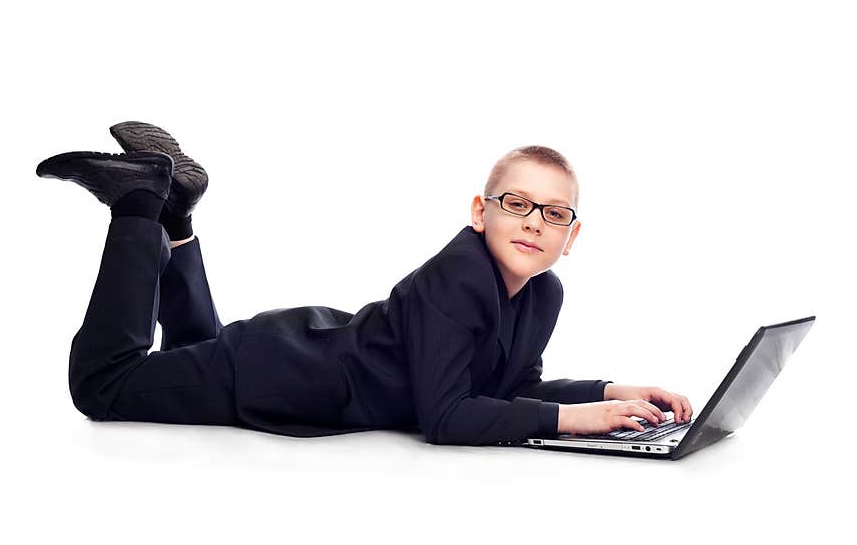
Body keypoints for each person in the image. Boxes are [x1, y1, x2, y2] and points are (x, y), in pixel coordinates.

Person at [36, 124, 693, 446]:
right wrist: (575, 419)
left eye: (554, 213)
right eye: (517, 203)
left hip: (299, 350)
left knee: (190, 351)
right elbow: (446, 415)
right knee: (105, 386)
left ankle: (175, 207)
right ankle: (136, 202)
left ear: (570, 235)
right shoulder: (459, 278)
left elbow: (508, 388)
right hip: (282, 375)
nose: (533, 223)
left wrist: (608, 393)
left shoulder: (540, 294)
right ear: (479, 212)